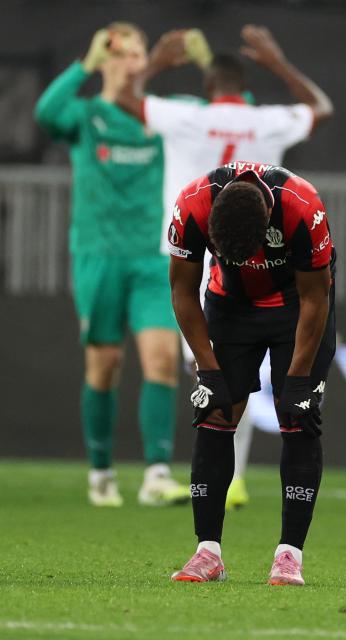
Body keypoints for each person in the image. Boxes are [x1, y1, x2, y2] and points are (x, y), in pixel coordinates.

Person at [117, 24, 334, 510]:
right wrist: (277, 62)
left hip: (191, 248)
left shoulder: (183, 117)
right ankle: (233, 477)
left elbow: (126, 98)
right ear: (242, 87)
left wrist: (155, 61)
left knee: (208, 367)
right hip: (266, 250)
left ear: (208, 87)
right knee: (249, 369)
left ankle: (182, 470)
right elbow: (321, 108)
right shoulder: (266, 121)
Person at [34, 23, 190, 507]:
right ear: (104, 61)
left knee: (162, 358)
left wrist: (201, 65)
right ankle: (101, 471)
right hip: (98, 255)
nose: (129, 62)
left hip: (152, 256)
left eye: (138, 53)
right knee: (105, 365)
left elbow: (229, 106)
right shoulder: (86, 115)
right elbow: (45, 114)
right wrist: (84, 59)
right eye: (118, 53)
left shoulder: (161, 117)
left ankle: (157, 474)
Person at [167, 161, 336, 584]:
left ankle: (289, 555)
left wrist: (298, 382)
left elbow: (317, 299)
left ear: (267, 225)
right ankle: (207, 553)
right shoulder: (191, 205)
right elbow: (182, 291)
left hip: (297, 308)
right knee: (215, 413)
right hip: (230, 308)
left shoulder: (303, 206)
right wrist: (207, 369)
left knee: (297, 415)